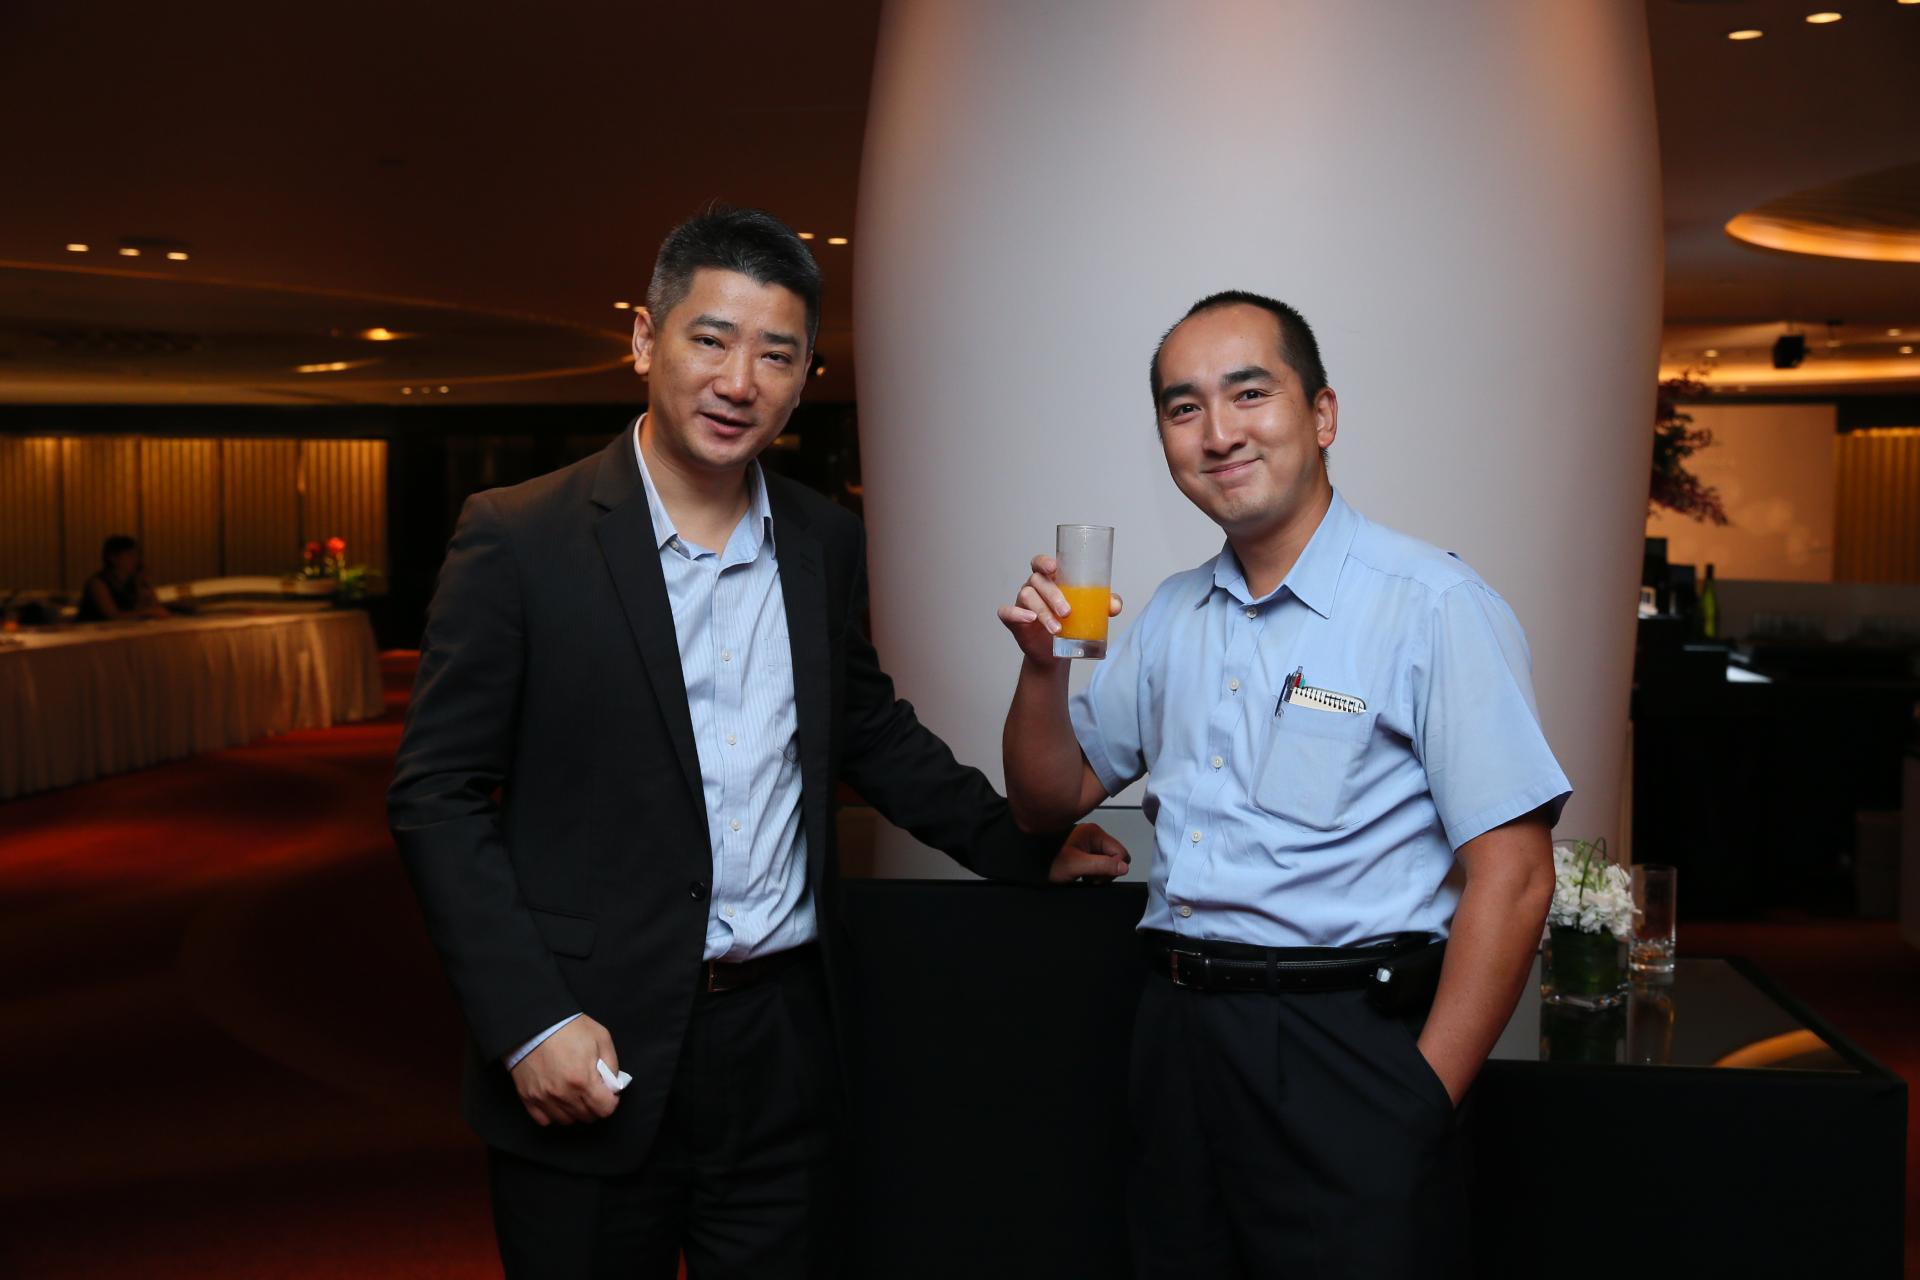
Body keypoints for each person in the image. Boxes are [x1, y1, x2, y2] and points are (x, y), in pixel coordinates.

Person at [388, 206, 1129, 1280]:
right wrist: (529, 1021)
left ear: (803, 376)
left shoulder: (823, 539)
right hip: (591, 1041)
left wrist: (1022, 844)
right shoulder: (519, 535)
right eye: (711, 339)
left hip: (781, 1044)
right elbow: (436, 795)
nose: (740, 381)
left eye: (777, 355)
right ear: (646, 340)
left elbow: (869, 728)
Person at [998, 290, 1570, 1278]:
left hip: (1347, 1042)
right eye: (1184, 408)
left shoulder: (1432, 605)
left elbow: (1515, 878)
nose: (1218, 432)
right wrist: (1042, 669)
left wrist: (1419, 1101)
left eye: (1250, 393)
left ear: (1323, 414)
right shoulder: (1173, 614)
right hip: (1177, 1040)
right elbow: (1048, 798)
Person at [75, 535, 169, 621]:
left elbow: (155, 607)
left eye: (137, 555)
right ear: (113, 558)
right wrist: (147, 612)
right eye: (130, 555)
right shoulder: (98, 583)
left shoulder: (133, 581)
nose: (136, 559)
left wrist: (144, 585)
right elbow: (113, 616)